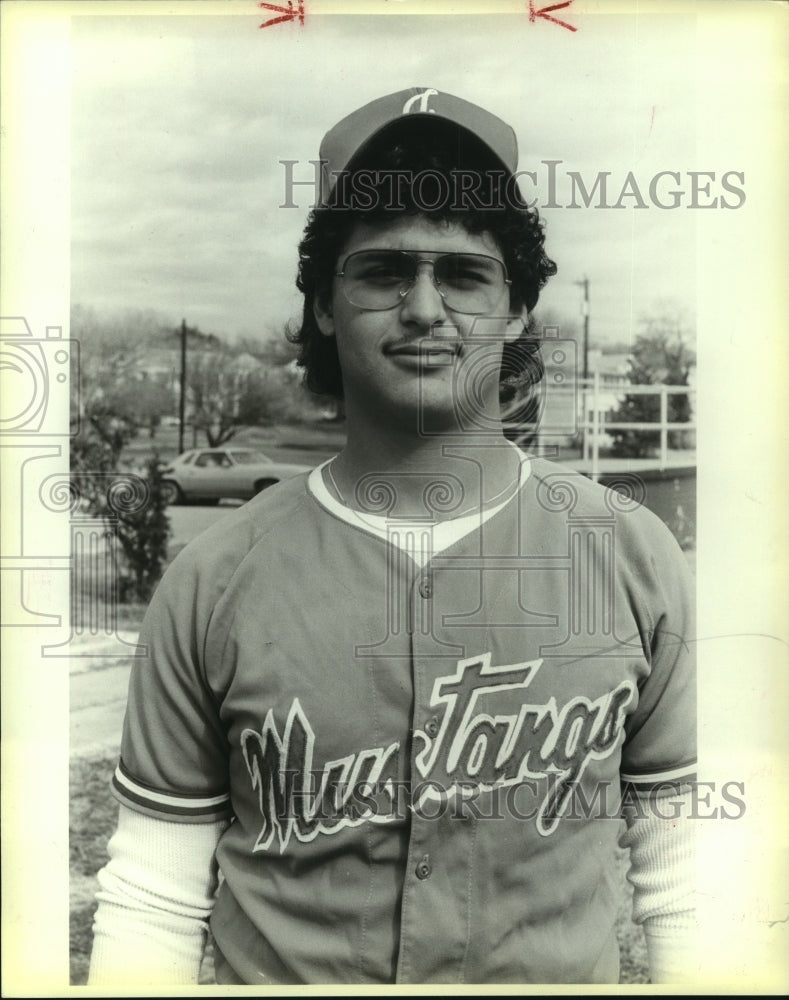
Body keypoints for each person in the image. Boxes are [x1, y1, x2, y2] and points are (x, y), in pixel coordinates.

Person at [88, 87, 696, 986]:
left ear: (518, 308)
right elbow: (154, 895)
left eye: (462, 274)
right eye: (381, 271)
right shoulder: (213, 579)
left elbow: (686, 880)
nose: (422, 307)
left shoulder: (635, 556)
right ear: (326, 306)